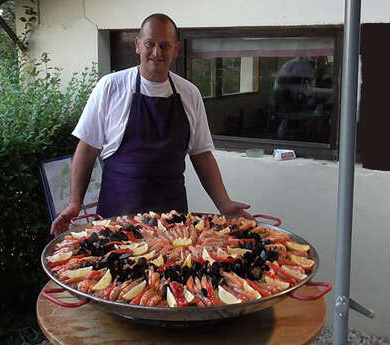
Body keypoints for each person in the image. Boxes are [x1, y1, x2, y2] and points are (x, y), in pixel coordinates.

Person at [50, 13, 250, 236]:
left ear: (176, 49)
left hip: (173, 226)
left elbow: (201, 155)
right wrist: (74, 202)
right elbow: (86, 149)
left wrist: (223, 203)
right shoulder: (110, 87)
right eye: (150, 44)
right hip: (117, 220)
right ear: (138, 45)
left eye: (165, 45)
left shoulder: (189, 93)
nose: (157, 52)